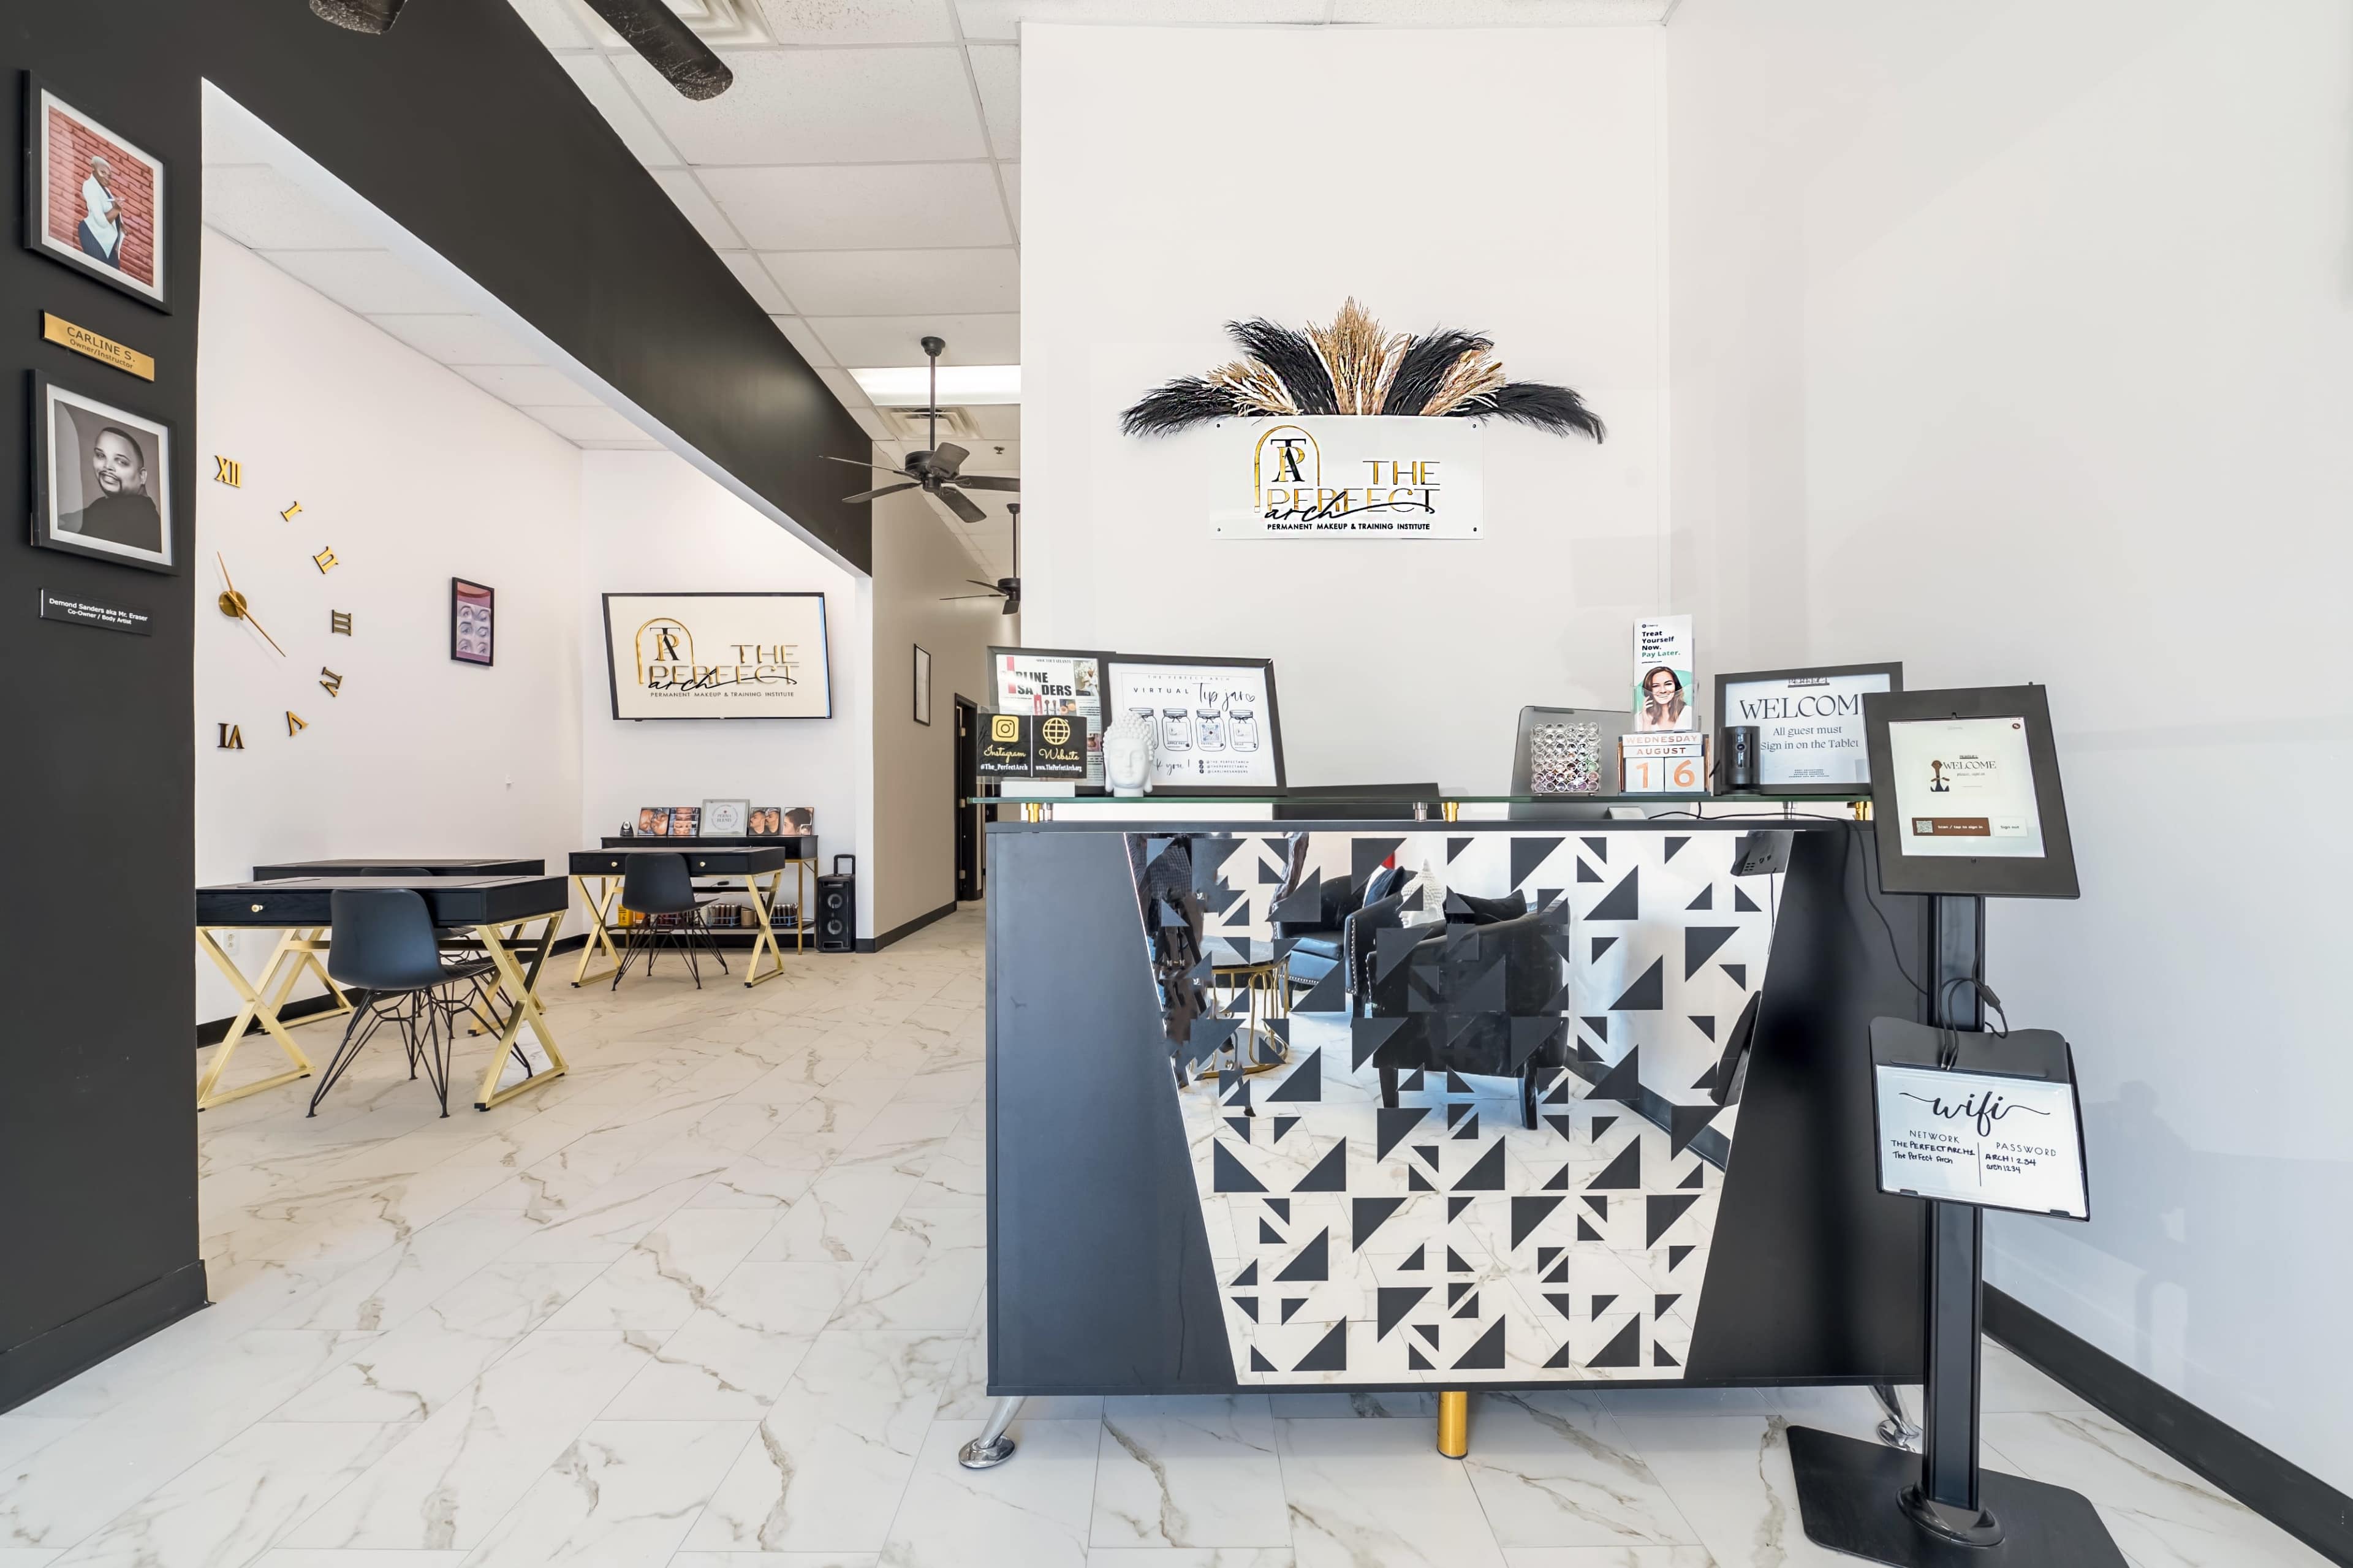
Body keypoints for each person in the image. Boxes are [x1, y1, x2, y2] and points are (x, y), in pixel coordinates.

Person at [62, 423, 161, 551]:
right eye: (101, 455)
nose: (107, 466)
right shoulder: (105, 508)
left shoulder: (136, 520)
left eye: (121, 461)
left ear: (142, 476)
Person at [78, 155, 122, 266]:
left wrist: (121, 226)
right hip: (93, 235)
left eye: (109, 176)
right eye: (103, 172)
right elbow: (101, 221)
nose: (107, 177)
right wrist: (116, 209)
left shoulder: (106, 190)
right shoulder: (89, 186)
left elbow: (111, 212)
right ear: (93, 168)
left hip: (108, 242)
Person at [1637, 664, 1691, 731]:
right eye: (1656, 686)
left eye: (1668, 684)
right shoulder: (1640, 717)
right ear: (1648, 690)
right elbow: (1642, 740)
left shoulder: (1689, 713)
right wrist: (1647, 723)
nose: (1663, 691)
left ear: (1676, 687)